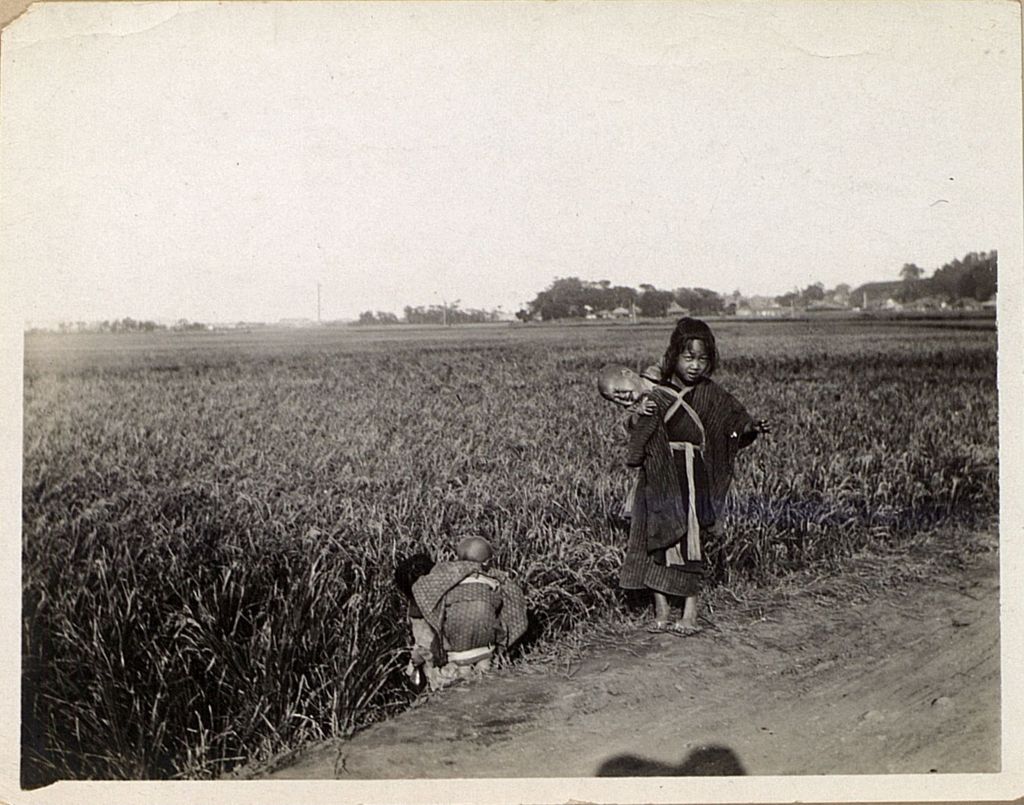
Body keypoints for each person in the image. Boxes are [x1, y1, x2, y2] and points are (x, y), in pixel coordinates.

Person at [617, 317, 770, 635]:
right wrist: (638, 416)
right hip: (657, 473)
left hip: (690, 475)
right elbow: (633, 425)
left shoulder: (710, 394)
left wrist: (749, 427)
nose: (696, 365)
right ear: (674, 355)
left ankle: (690, 608)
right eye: (688, 357)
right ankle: (660, 606)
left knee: (690, 539)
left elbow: (733, 419)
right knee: (652, 536)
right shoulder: (654, 389)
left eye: (702, 359)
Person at [411, 537, 528, 687]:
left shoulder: (446, 579)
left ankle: (456, 671)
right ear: (486, 562)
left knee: (460, 673)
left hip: (455, 648)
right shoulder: (493, 579)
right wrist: (504, 641)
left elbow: (423, 591)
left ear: (458, 559)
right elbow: (515, 608)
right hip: (486, 646)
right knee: (485, 673)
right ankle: (486, 665)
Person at [394, 552, 440, 691]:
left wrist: (418, 659)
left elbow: (428, 643)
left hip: (433, 665)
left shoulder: (417, 609)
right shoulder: (441, 600)